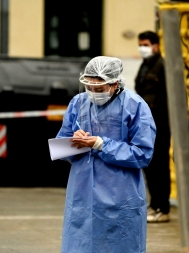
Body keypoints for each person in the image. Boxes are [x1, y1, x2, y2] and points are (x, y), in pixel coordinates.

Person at [56, 56, 156, 253]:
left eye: (99, 89)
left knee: (119, 245)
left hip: (121, 194)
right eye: (89, 88)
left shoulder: (135, 106)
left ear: (114, 84)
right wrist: (74, 142)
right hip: (82, 193)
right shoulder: (78, 103)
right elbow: (60, 148)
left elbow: (143, 153)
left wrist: (102, 144)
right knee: (80, 245)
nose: (93, 93)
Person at [134, 30, 171, 222]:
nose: (142, 48)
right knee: (149, 165)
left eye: (146, 44)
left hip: (161, 124)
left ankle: (162, 208)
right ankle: (154, 204)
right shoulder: (146, 65)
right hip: (146, 124)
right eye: (140, 44)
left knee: (160, 166)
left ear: (156, 46)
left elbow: (168, 96)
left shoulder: (162, 66)